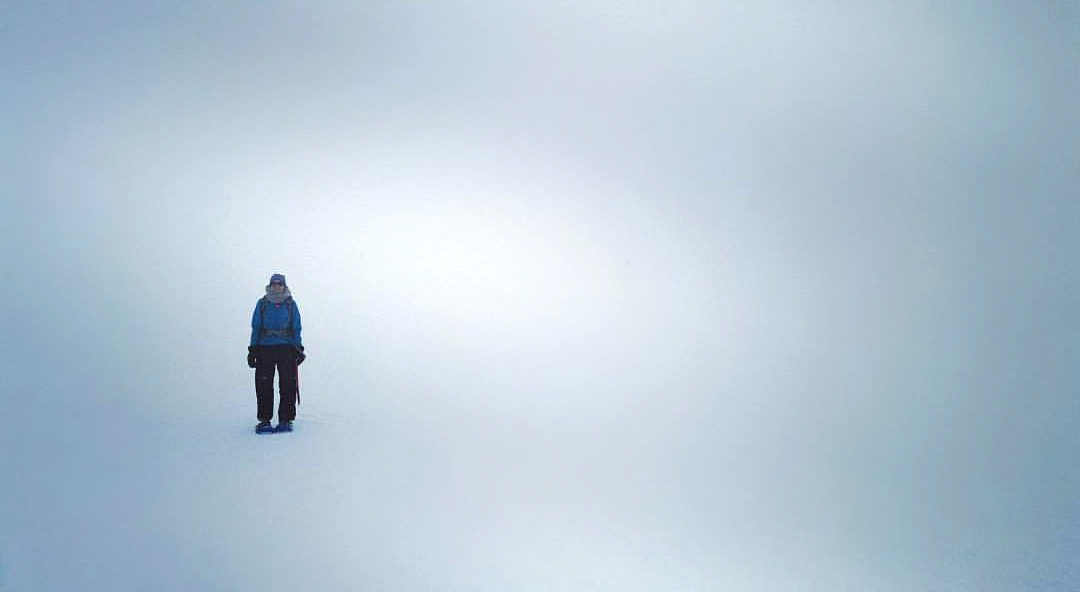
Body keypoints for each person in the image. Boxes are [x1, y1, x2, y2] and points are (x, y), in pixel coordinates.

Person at [247, 273, 305, 433]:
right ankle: (265, 420)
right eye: (274, 283)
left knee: (287, 384)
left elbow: (296, 327)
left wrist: (298, 348)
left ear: (284, 286)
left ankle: (285, 419)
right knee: (264, 385)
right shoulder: (263, 304)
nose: (277, 286)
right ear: (270, 285)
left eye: (280, 284)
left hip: (286, 348)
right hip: (265, 348)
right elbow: (256, 327)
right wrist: (252, 349)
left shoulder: (291, 304)